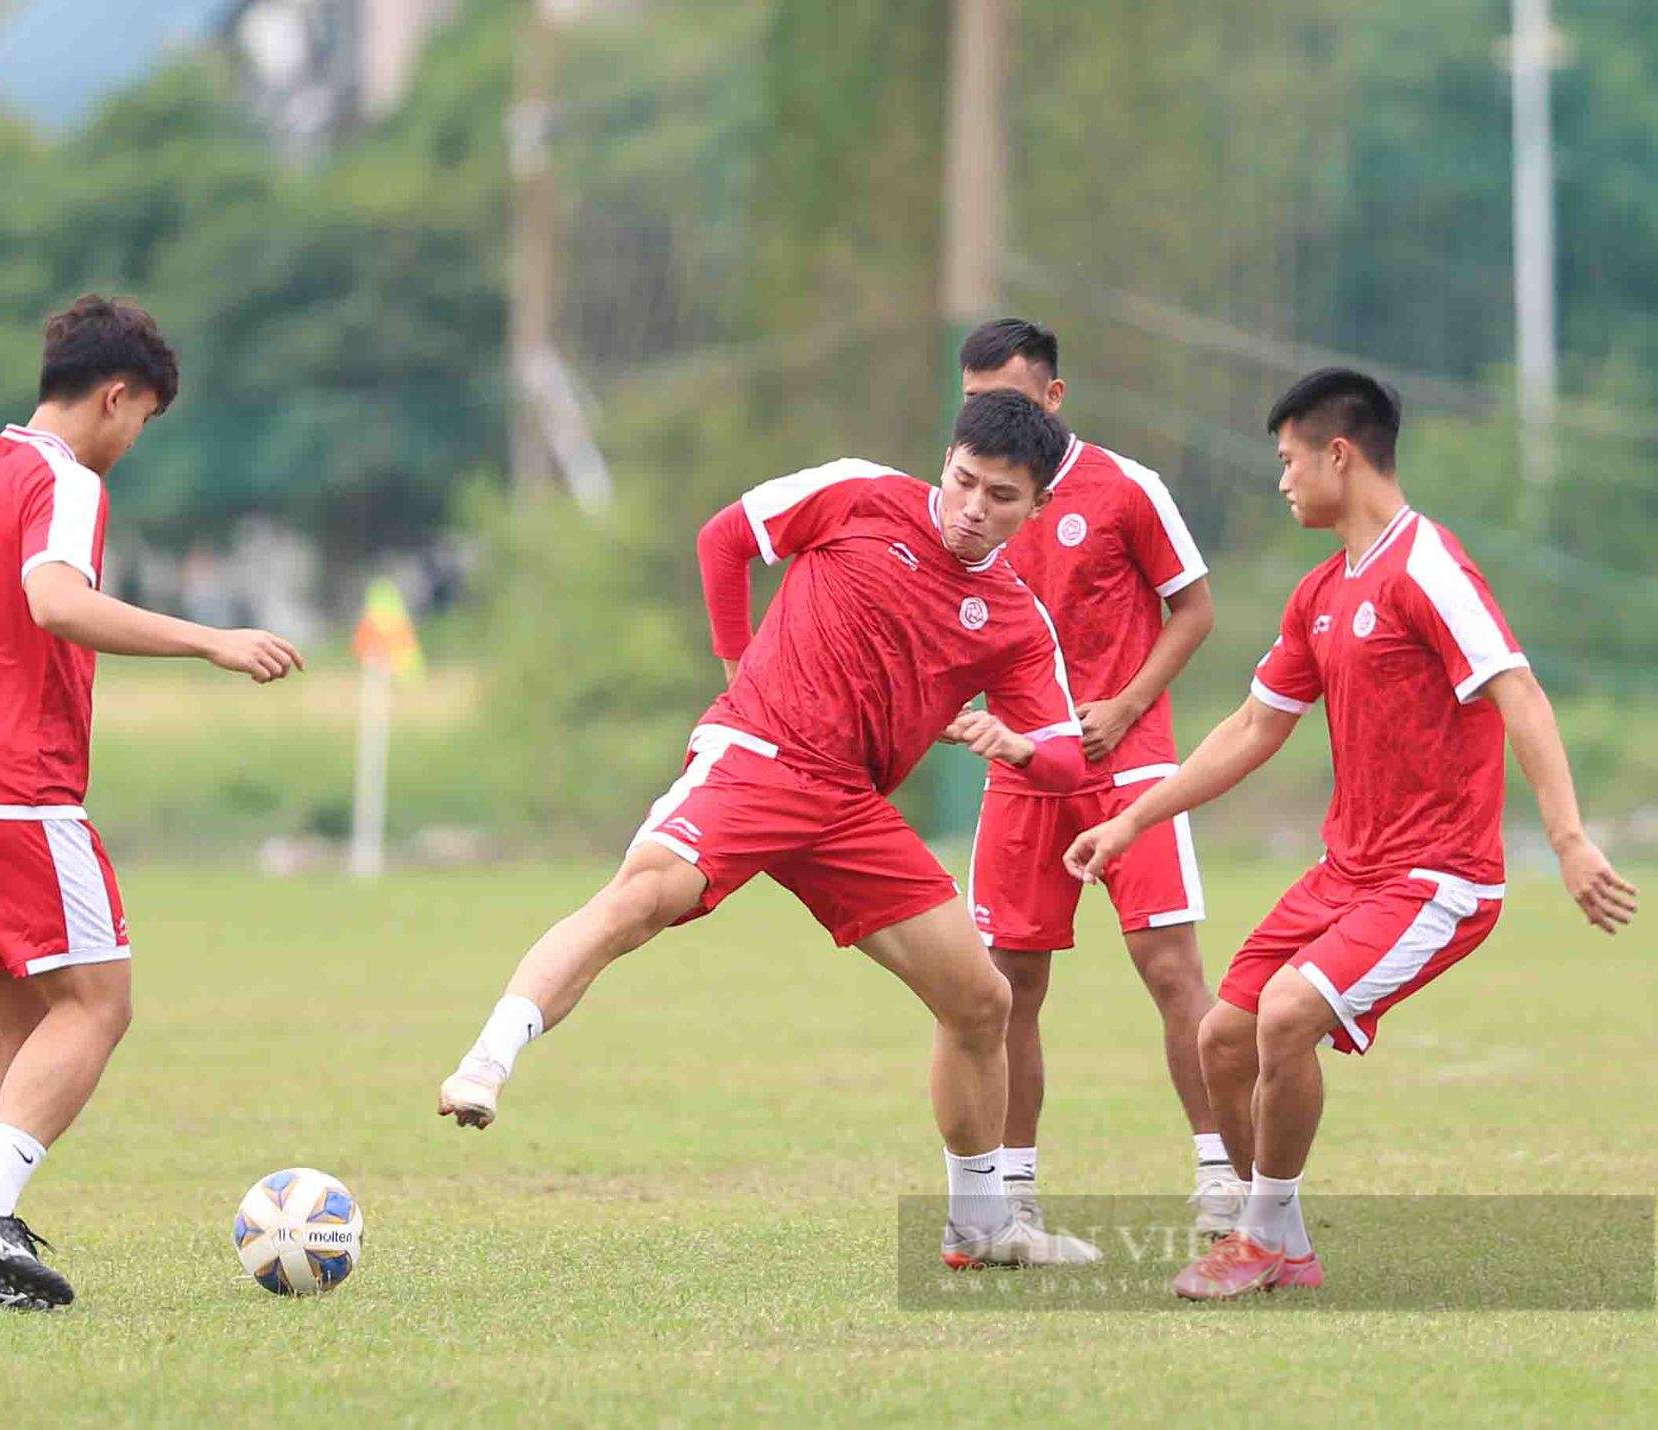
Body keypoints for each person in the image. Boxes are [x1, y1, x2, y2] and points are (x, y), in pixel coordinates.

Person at [438, 391, 1105, 1268]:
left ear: (1039, 506)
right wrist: (733, 660)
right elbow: (726, 538)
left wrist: (1012, 743)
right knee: (642, 899)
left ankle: (981, 1227)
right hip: (757, 754)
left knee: (982, 1001)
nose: (974, 508)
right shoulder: (859, 493)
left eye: (1001, 497)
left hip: (852, 808)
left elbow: (1066, 760)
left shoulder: (1017, 622)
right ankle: (488, 1061)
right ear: (945, 461)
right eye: (964, 481)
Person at [1065, 368, 1638, 1299]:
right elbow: (1253, 729)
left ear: (1339, 453)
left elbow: (1518, 693)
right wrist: (1131, 818)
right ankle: (1284, 1245)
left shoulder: (1428, 566)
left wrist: (1568, 840)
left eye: (1289, 460)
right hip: (1347, 874)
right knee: (1222, 1038)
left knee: (1287, 1017)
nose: (1282, 479)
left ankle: (1255, 1244)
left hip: (1438, 879)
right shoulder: (1320, 593)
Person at [0, 295, 304, 1310]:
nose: (134, 442)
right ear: (116, 396)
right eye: (143, 420)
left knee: (12, 1026)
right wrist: (211, 639)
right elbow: (57, 600)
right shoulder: (62, 480)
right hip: (12, 788)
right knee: (99, 1004)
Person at [958, 318, 1237, 1235]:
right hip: (1023, 773)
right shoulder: (969, 502)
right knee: (1006, 988)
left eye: (1005, 397)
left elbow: (1193, 610)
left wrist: (1124, 705)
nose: (988, 418)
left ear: (1052, 396)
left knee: (1170, 972)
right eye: (972, 404)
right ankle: (1012, 1196)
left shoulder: (1126, 488)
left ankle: (1221, 1178)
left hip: (1132, 765)